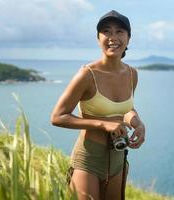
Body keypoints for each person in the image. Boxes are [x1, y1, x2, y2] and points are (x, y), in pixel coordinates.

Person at [51, 10, 145, 200]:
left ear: (128, 38)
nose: (113, 37)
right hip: (89, 158)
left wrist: (137, 123)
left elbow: (125, 108)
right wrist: (102, 124)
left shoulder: (132, 74)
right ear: (98, 38)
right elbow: (58, 117)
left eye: (119, 31)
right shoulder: (87, 74)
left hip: (118, 157)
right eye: (106, 31)